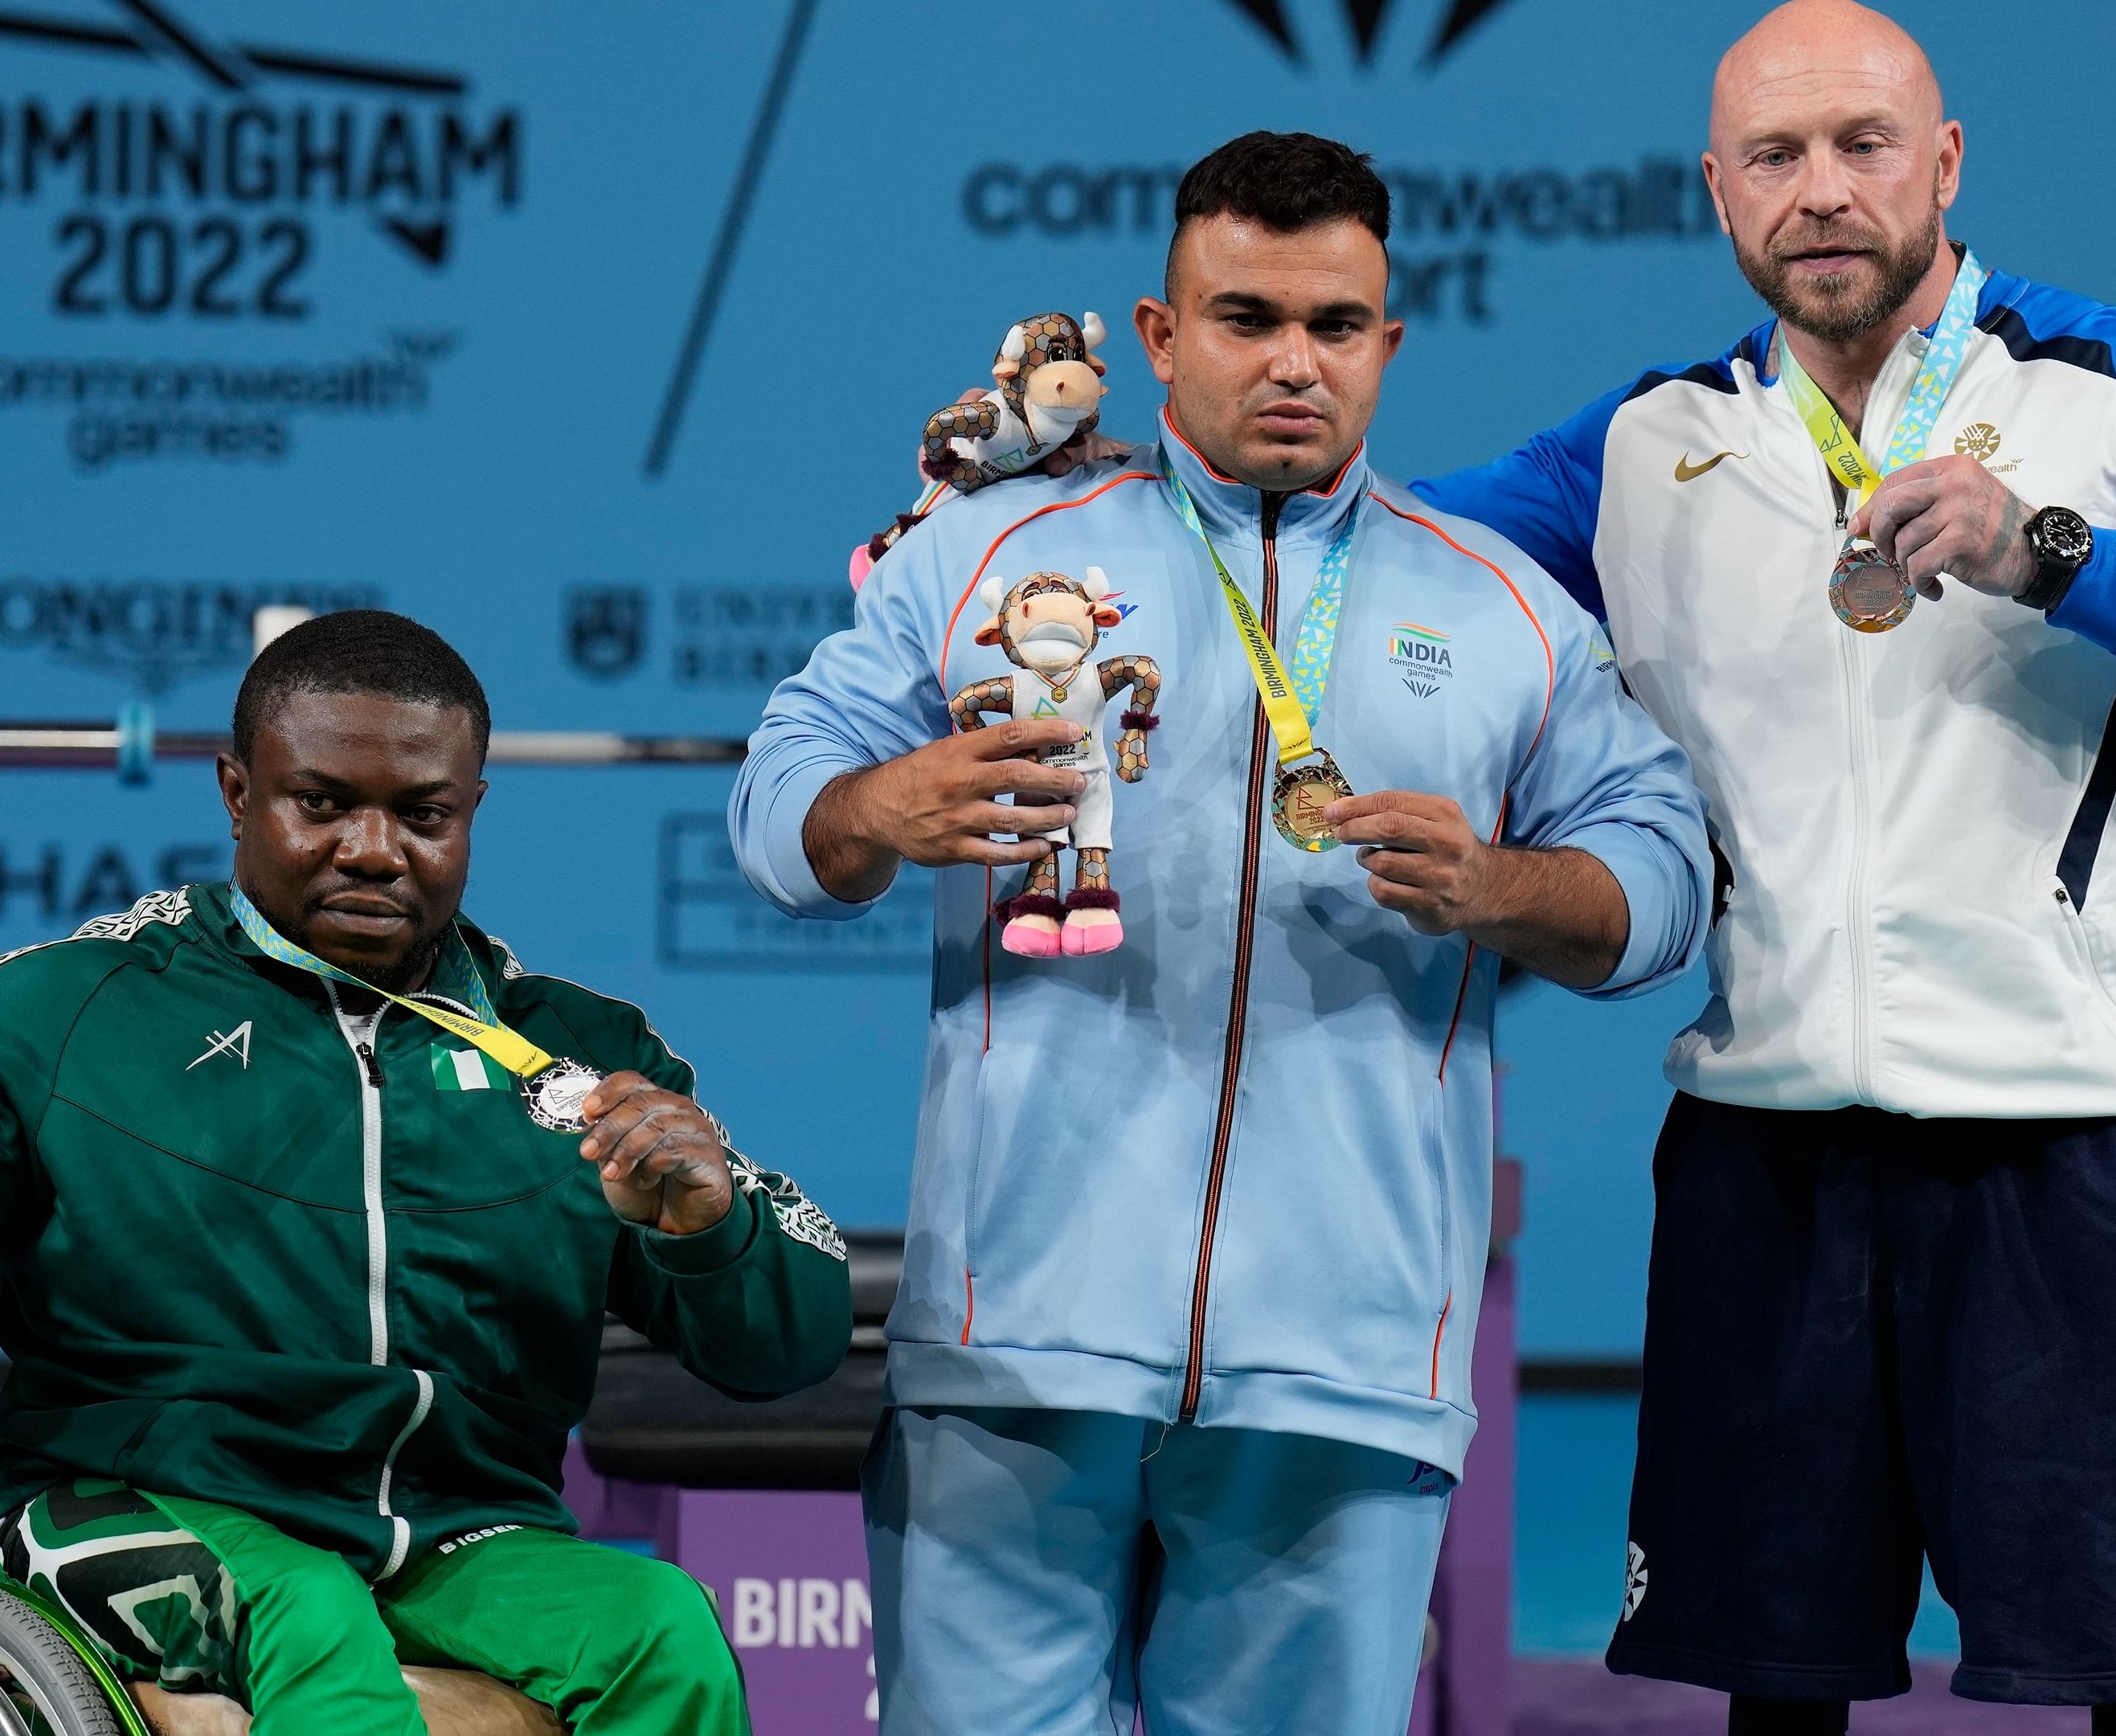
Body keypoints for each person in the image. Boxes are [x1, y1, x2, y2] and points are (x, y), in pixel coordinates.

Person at [1409, 5, 2116, 1733]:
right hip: (1766, 1168)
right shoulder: (1649, 448)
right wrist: (1054, 529)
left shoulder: (2108, 386)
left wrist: (2051, 550)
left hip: (2077, 1145)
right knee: (1775, 1699)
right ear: (1717, 191)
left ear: (1945, 164)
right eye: (1776, 158)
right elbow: (1381, 563)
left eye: (1865, 144)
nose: (1824, 192)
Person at [732, 132, 1713, 1734]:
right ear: (1159, 333)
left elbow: (1665, 881)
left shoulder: (1502, 609)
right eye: (1246, 318)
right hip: (1020, 1338)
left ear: (1388, 343)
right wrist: (875, 810)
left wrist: (1501, 890)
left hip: (1341, 1358)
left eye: (1337, 326)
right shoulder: (987, 556)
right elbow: (781, 801)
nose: (1294, 362)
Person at [0, 611, 854, 1734]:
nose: (374, 848)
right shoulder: (62, 1013)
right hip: (122, 1506)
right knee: (312, 1620)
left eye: (423, 813)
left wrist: (707, 1231)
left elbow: (789, 1354)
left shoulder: (577, 1056)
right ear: (236, 794)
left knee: (661, 1630)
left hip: (453, 1540)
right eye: (320, 803)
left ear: (471, 809)